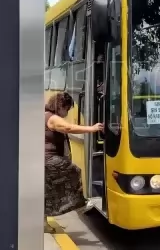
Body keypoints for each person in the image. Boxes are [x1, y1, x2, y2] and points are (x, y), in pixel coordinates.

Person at [44, 92, 104, 233]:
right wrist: (93, 128)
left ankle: (44, 222)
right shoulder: (52, 118)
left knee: (47, 192)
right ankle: (79, 203)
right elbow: (68, 128)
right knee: (74, 171)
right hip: (48, 158)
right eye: (67, 109)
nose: (67, 112)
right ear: (60, 106)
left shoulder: (47, 115)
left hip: (45, 159)